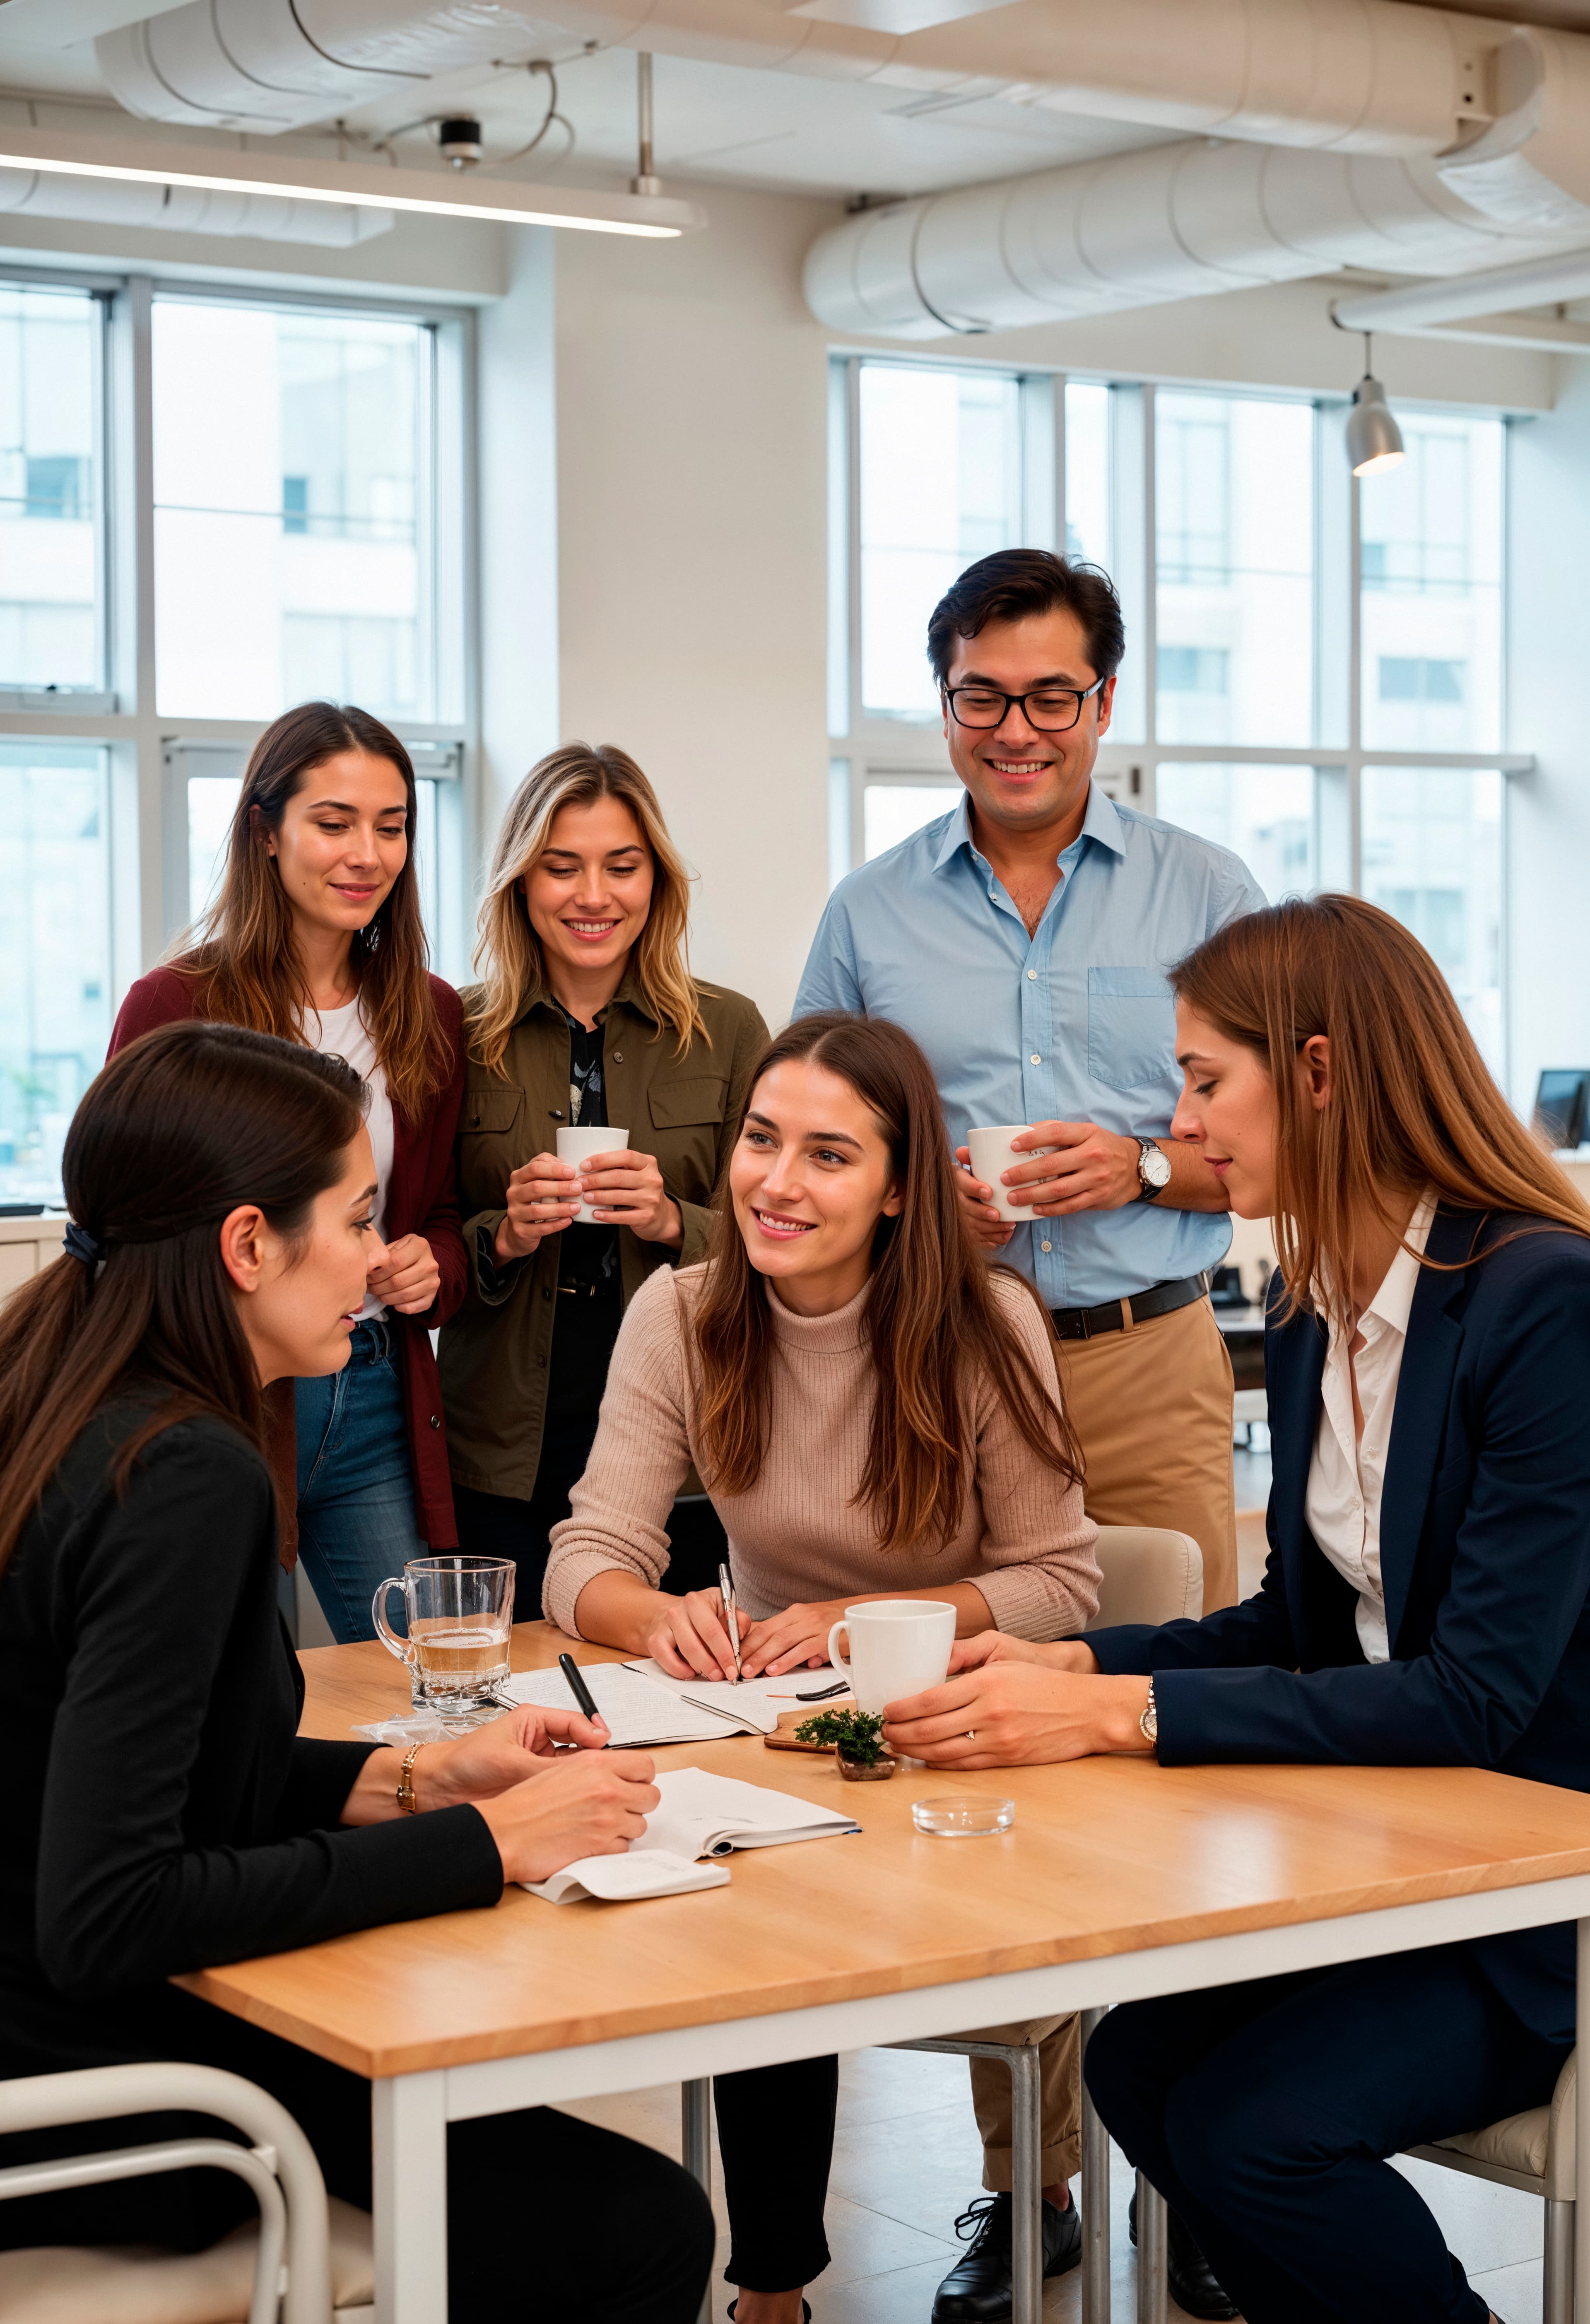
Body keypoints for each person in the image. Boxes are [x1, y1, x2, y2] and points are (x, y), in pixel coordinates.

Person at [881, 892, 1590, 2324]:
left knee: (1252, 2132)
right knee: (1143, 2064)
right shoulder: (1322, 1305)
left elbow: (1478, 1696)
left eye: (1207, 1079)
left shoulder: (1545, 1304)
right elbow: (1292, 1630)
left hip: (1540, 1898)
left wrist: (1116, 1709)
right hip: (1409, 1856)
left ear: (1320, 1075)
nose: (1183, 1121)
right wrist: (1062, 1653)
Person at [0, 1020, 713, 2323]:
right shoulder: (187, 1472)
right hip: (96, 2101)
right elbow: (108, 1907)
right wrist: (487, 1842)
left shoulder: (54, 1383)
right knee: (643, 2224)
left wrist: (407, 1777)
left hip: (47, 2041)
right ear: (245, 1244)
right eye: (355, 1218)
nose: (379, 1262)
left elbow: (144, 1769)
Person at [794, 546, 1265, 2319]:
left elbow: (1296, 1129)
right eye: (982, 694)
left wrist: (1143, 1158)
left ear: (1107, 705)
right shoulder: (870, 907)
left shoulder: (1209, 890)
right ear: (945, 703)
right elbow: (817, 1131)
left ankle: (1211, 2162)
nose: (1016, 728)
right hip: (955, 1375)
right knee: (984, 1761)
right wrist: (922, 1208)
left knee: (1176, 1755)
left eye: (1051, 694)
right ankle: (1031, 2181)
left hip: (1146, 1356)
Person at [544, 1010, 1101, 2324]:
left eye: (830, 1155)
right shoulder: (679, 1311)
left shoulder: (988, 1322)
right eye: (759, 1139)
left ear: (903, 1186)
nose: (778, 1183)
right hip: (770, 1724)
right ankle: (773, 2285)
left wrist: (870, 1614)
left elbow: (1062, 1576)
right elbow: (588, 1551)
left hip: (951, 1719)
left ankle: (1044, 2189)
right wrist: (652, 1617)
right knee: (752, 1904)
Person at [108, 701, 466, 1645]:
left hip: (377, 1382)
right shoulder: (175, 1004)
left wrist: (433, 1260)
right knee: (230, 1683)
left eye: (392, 826)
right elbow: (119, 1217)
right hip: (223, 1394)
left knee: (419, 1676)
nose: (368, 854)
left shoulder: (430, 1011)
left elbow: (443, 1211)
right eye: (334, 822)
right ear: (266, 832)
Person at [439, 742, 768, 1608]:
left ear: (655, 879)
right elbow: (421, 1233)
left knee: (687, 1676)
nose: (594, 895)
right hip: (506, 1437)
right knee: (509, 1698)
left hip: (690, 1428)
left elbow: (790, 1233)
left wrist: (672, 1222)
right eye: (562, 867)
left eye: (622, 866)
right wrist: (501, 1235)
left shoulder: (730, 1030)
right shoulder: (453, 1031)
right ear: (520, 881)